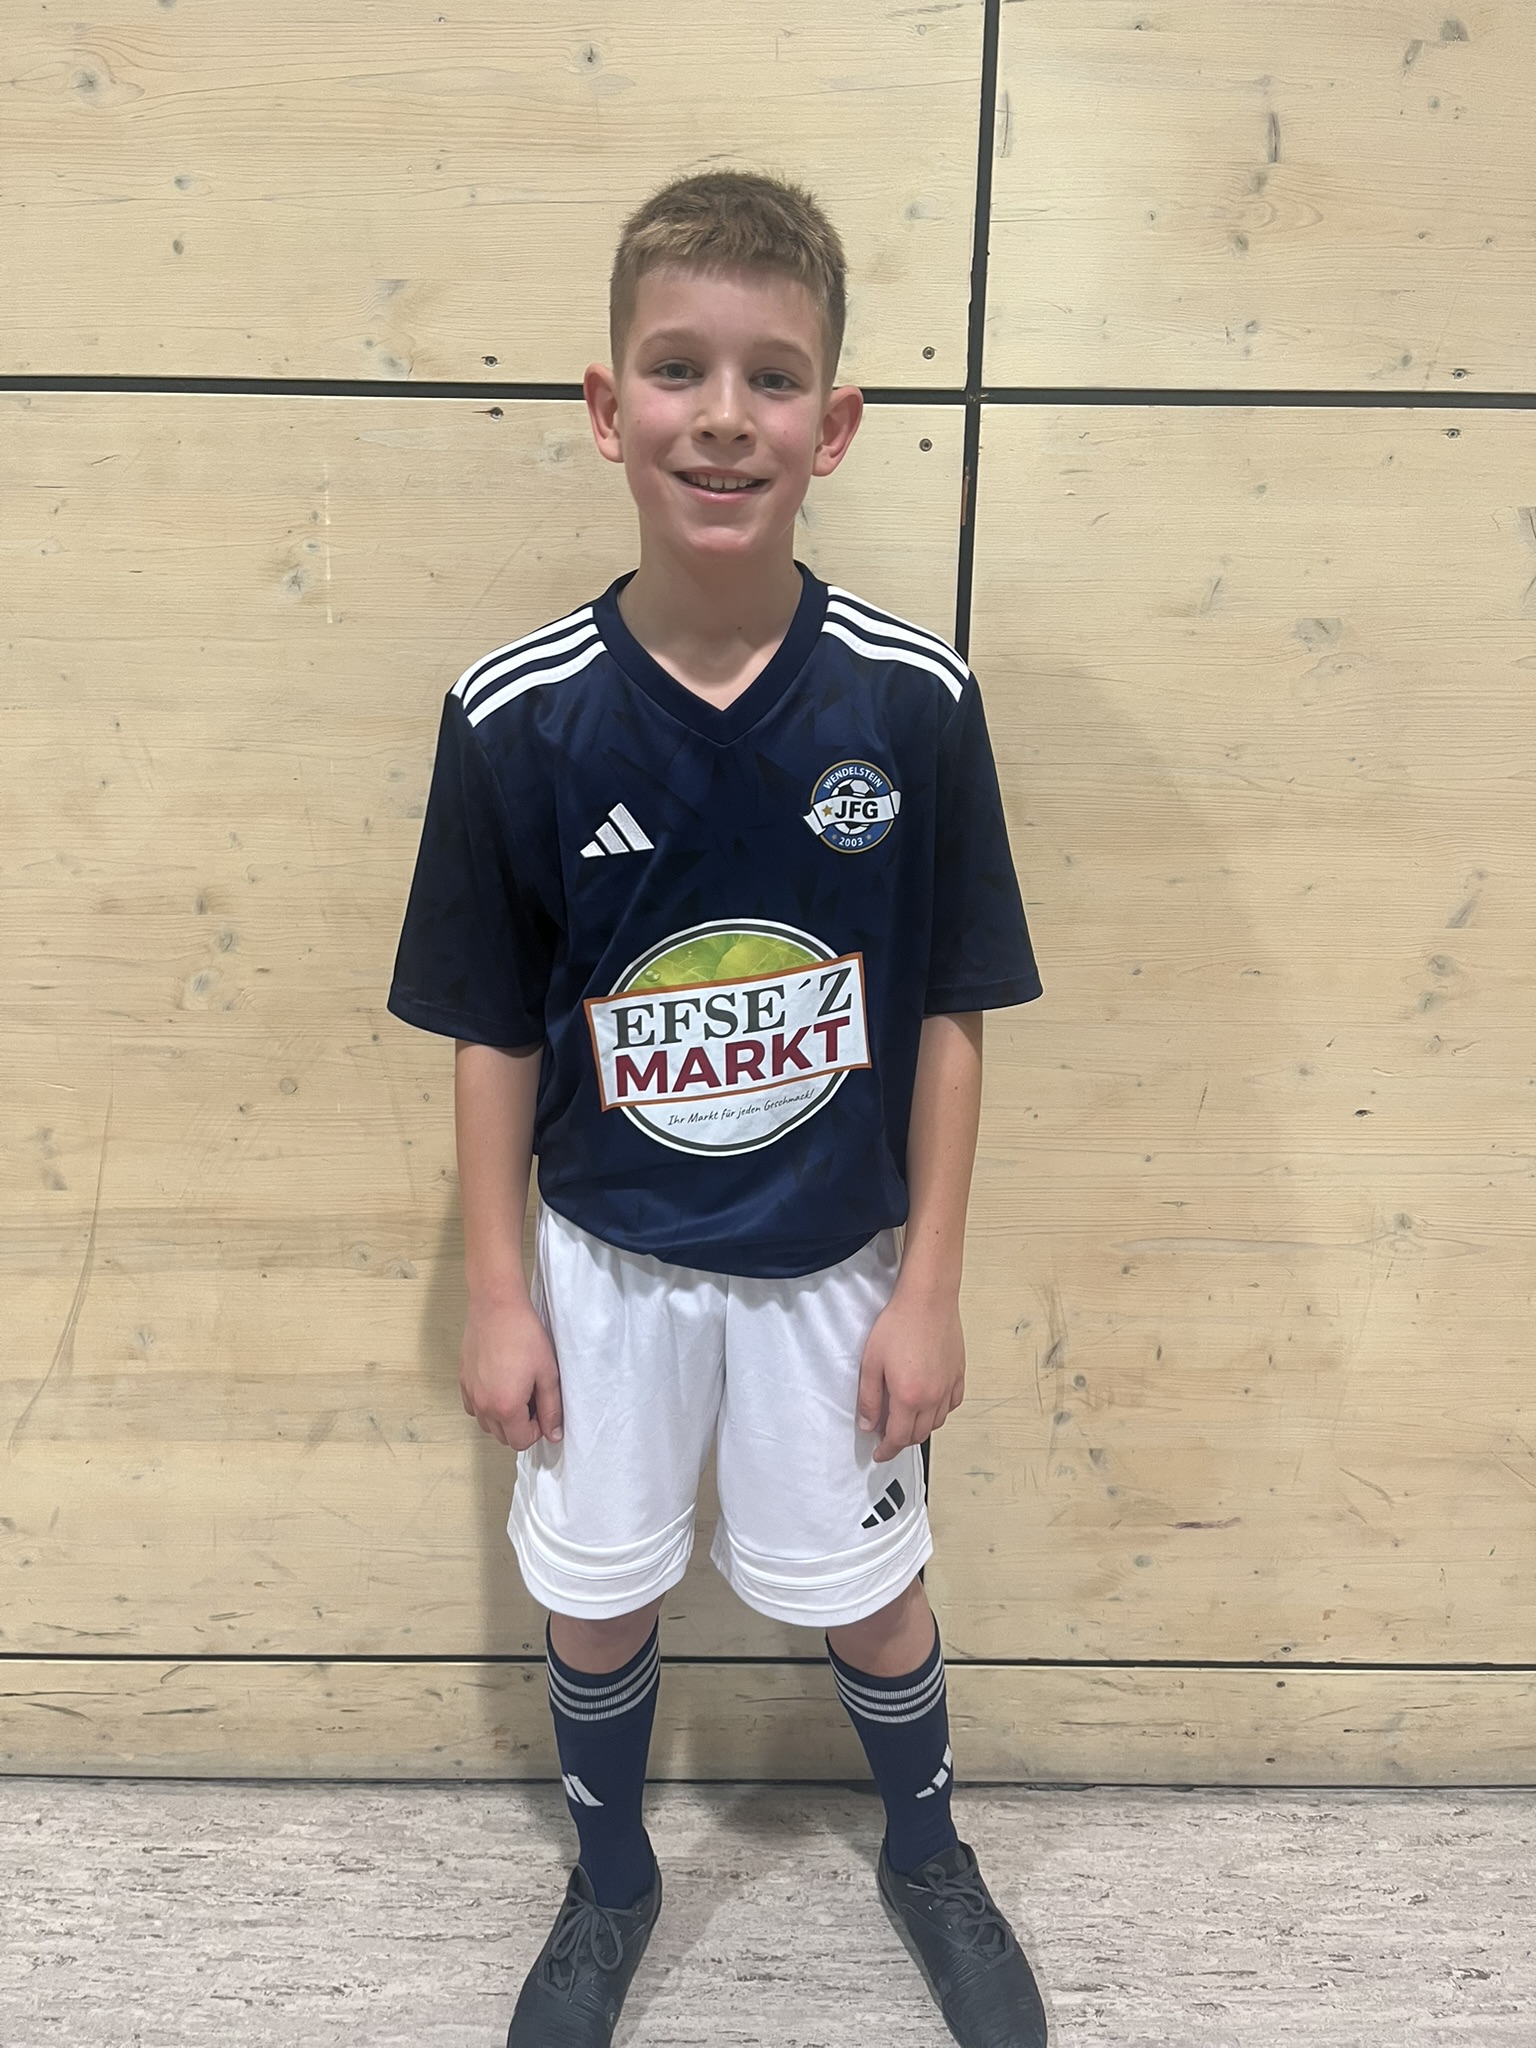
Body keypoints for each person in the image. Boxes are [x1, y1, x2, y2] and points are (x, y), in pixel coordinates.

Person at [386, 168, 1049, 2048]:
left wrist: (930, 1288)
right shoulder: (514, 716)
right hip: (605, 1267)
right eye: (678, 369)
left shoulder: (914, 704)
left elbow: (950, 1009)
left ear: (834, 424)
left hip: (833, 1264)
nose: (725, 415)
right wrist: (499, 1295)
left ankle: (927, 1850)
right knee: (598, 1601)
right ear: (611, 408)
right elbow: (490, 1030)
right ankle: (613, 1880)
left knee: (873, 1596)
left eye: (773, 377)